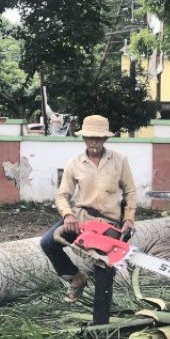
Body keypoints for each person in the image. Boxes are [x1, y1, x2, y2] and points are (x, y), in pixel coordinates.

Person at [39, 114, 136, 303]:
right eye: (90, 137)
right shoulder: (74, 164)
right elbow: (62, 196)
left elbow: (130, 192)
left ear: (105, 138)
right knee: (48, 242)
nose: (94, 142)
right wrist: (68, 215)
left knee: (103, 274)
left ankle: (100, 323)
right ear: (83, 138)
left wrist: (129, 218)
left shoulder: (120, 161)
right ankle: (76, 277)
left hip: (109, 225)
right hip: (81, 220)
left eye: (98, 137)